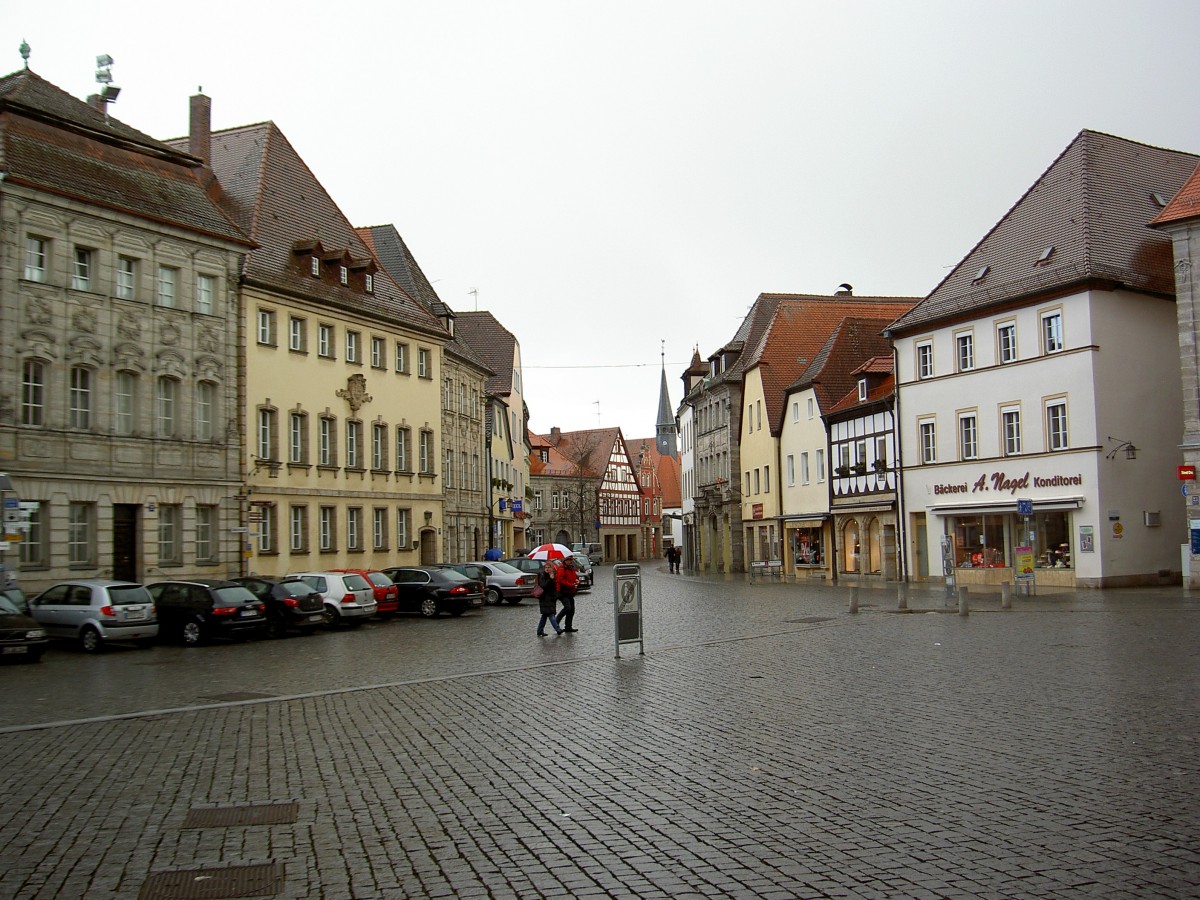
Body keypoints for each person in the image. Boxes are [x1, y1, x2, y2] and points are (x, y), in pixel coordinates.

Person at [535, 561, 561, 636]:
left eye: (549, 567)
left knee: (545, 615)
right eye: (546, 567)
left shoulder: (553, 575)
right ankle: (557, 629)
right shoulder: (542, 575)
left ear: (552, 568)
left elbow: (554, 587)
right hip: (544, 598)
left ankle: (539, 630)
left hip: (551, 598)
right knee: (551, 614)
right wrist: (550, 579)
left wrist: (552, 579)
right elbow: (543, 586)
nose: (547, 569)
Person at [554, 558, 579, 632]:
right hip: (563, 591)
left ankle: (568, 626)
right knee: (567, 607)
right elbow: (560, 580)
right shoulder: (561, 568)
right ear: (565, 561)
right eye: (568, 560)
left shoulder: (571, 568)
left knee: (572, 610)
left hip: (570, 592)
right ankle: (556, 622)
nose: (570, 562)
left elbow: (575, 577)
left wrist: (577, 581)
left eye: (571, 560)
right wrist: (571, 585)